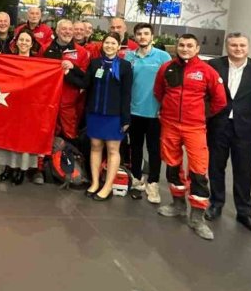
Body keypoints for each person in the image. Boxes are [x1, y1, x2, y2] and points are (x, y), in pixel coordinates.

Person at [153, 34, 227, 240]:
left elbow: (220, 101)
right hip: (169, 125)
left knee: (198, 170)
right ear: (177, 47)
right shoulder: (166, 68)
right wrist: (168, 111)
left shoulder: (207, 71)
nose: (185, 48)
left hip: (195, 128)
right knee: (172, 165)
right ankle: (177, 205)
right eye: (182, 45)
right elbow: (159, 91)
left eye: (189, 46)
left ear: (197, 49)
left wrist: (201, 115)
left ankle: (197, 217)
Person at [205, 33, 251, 234]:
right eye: (234, 45)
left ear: (248, 48)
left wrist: (246, 109)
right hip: (218, 124)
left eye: (242, 45)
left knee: (243, 169)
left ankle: (244, 211)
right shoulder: (214, 65)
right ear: (227, 47)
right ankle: (216, 203)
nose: (238, 49)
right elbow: (206, 91)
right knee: (216, 166)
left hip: (244, 126)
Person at [67, 32, 132, 201]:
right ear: (102, 45)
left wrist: (126, 118)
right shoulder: (95, 63)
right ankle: (95, 182)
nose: (109, 46)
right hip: (95, 113)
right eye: (107, 43)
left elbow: (126, 95)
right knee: (95, 147)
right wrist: (69, 71)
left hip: (114, 115)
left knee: (112, 150)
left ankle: (107, 186)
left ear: (119, 46)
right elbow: (85, 83)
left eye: (113, 43)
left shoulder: (125, 66)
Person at [126, 23, 172, 204]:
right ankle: (137, 180)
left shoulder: (163, 56)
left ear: (152, 36)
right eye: (139, 34)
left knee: (154, 150)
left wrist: (165, 108)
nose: (142, 36)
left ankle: (153, 183)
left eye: (146, 34)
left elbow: (170, 85)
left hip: (156, 113)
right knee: (135, 148)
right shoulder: (130, 57)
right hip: (134, 111)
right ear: (135, 37)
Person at [0, 31, 42, 185]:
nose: (24, 42)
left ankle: (21, 170)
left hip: (28, 107)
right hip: (9, 105)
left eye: (27, 40)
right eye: (21, 40)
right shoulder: (8, 60)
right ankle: (7, 168)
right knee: (8, 137)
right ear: (16, 42)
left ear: (32, 44)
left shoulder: (39, 63)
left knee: (24, 139)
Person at [41, 19, 91, 158]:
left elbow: (85, 80)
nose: (67, 32)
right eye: (64, 29)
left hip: (69, 104)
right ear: (56, 31)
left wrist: (71, 70)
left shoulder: (81, 52)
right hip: (47, 101)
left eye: (70, 29)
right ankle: (42, 168)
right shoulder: (45, 48)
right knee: (45, 133)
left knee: (70, 135)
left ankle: (69, 168)